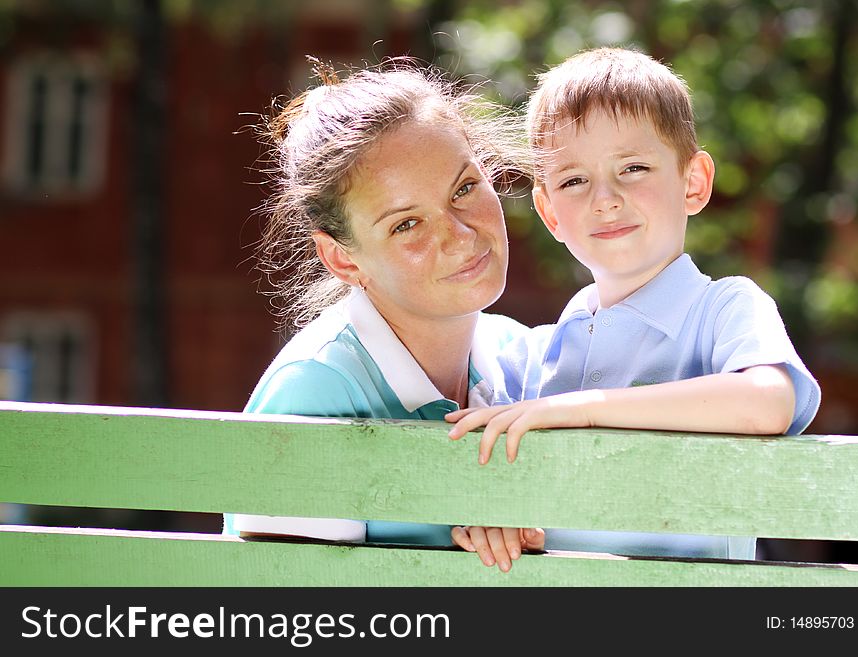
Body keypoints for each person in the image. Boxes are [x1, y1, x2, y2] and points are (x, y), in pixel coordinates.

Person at [447, 47, 821, 561]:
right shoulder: (531, 359)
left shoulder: (725, 308)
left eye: (635, 167)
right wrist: (491, 523)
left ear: (693, 182)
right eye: (574, 180)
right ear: (549, 212)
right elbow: (483, 483)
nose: (605, 198)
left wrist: (585, 411)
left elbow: (769, 402)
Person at [223, 59, 543, 572]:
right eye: (407, 224)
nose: (460, 235)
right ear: (343, 259)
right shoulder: (314, 394)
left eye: (463, 189)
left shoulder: (521, 355)